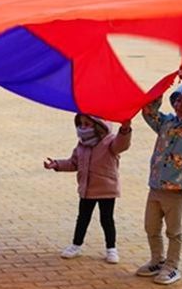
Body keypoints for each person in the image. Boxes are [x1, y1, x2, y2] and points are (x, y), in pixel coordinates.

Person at [135, 71, 182, 285]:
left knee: (173, 230)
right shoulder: (166, 123)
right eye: (178, 99)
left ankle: (172, 266)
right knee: (151, 227)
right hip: (156, 186)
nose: (180, 103)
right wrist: (162, 88)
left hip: (177, 189)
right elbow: (148, 111)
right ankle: (157, 260)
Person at [43, 112, 134, 263]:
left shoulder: (109, 141)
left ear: (98, 125)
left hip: (106, 189)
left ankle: (111, 249)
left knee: (107, 219)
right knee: (83, 218)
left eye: (87, 124)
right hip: (87, 189)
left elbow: (122, 145)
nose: (83, 127)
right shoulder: (82, 145)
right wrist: (57, 164)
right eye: (80, 124)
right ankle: (76, 245)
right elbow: (73, 163)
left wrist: (125, 130)